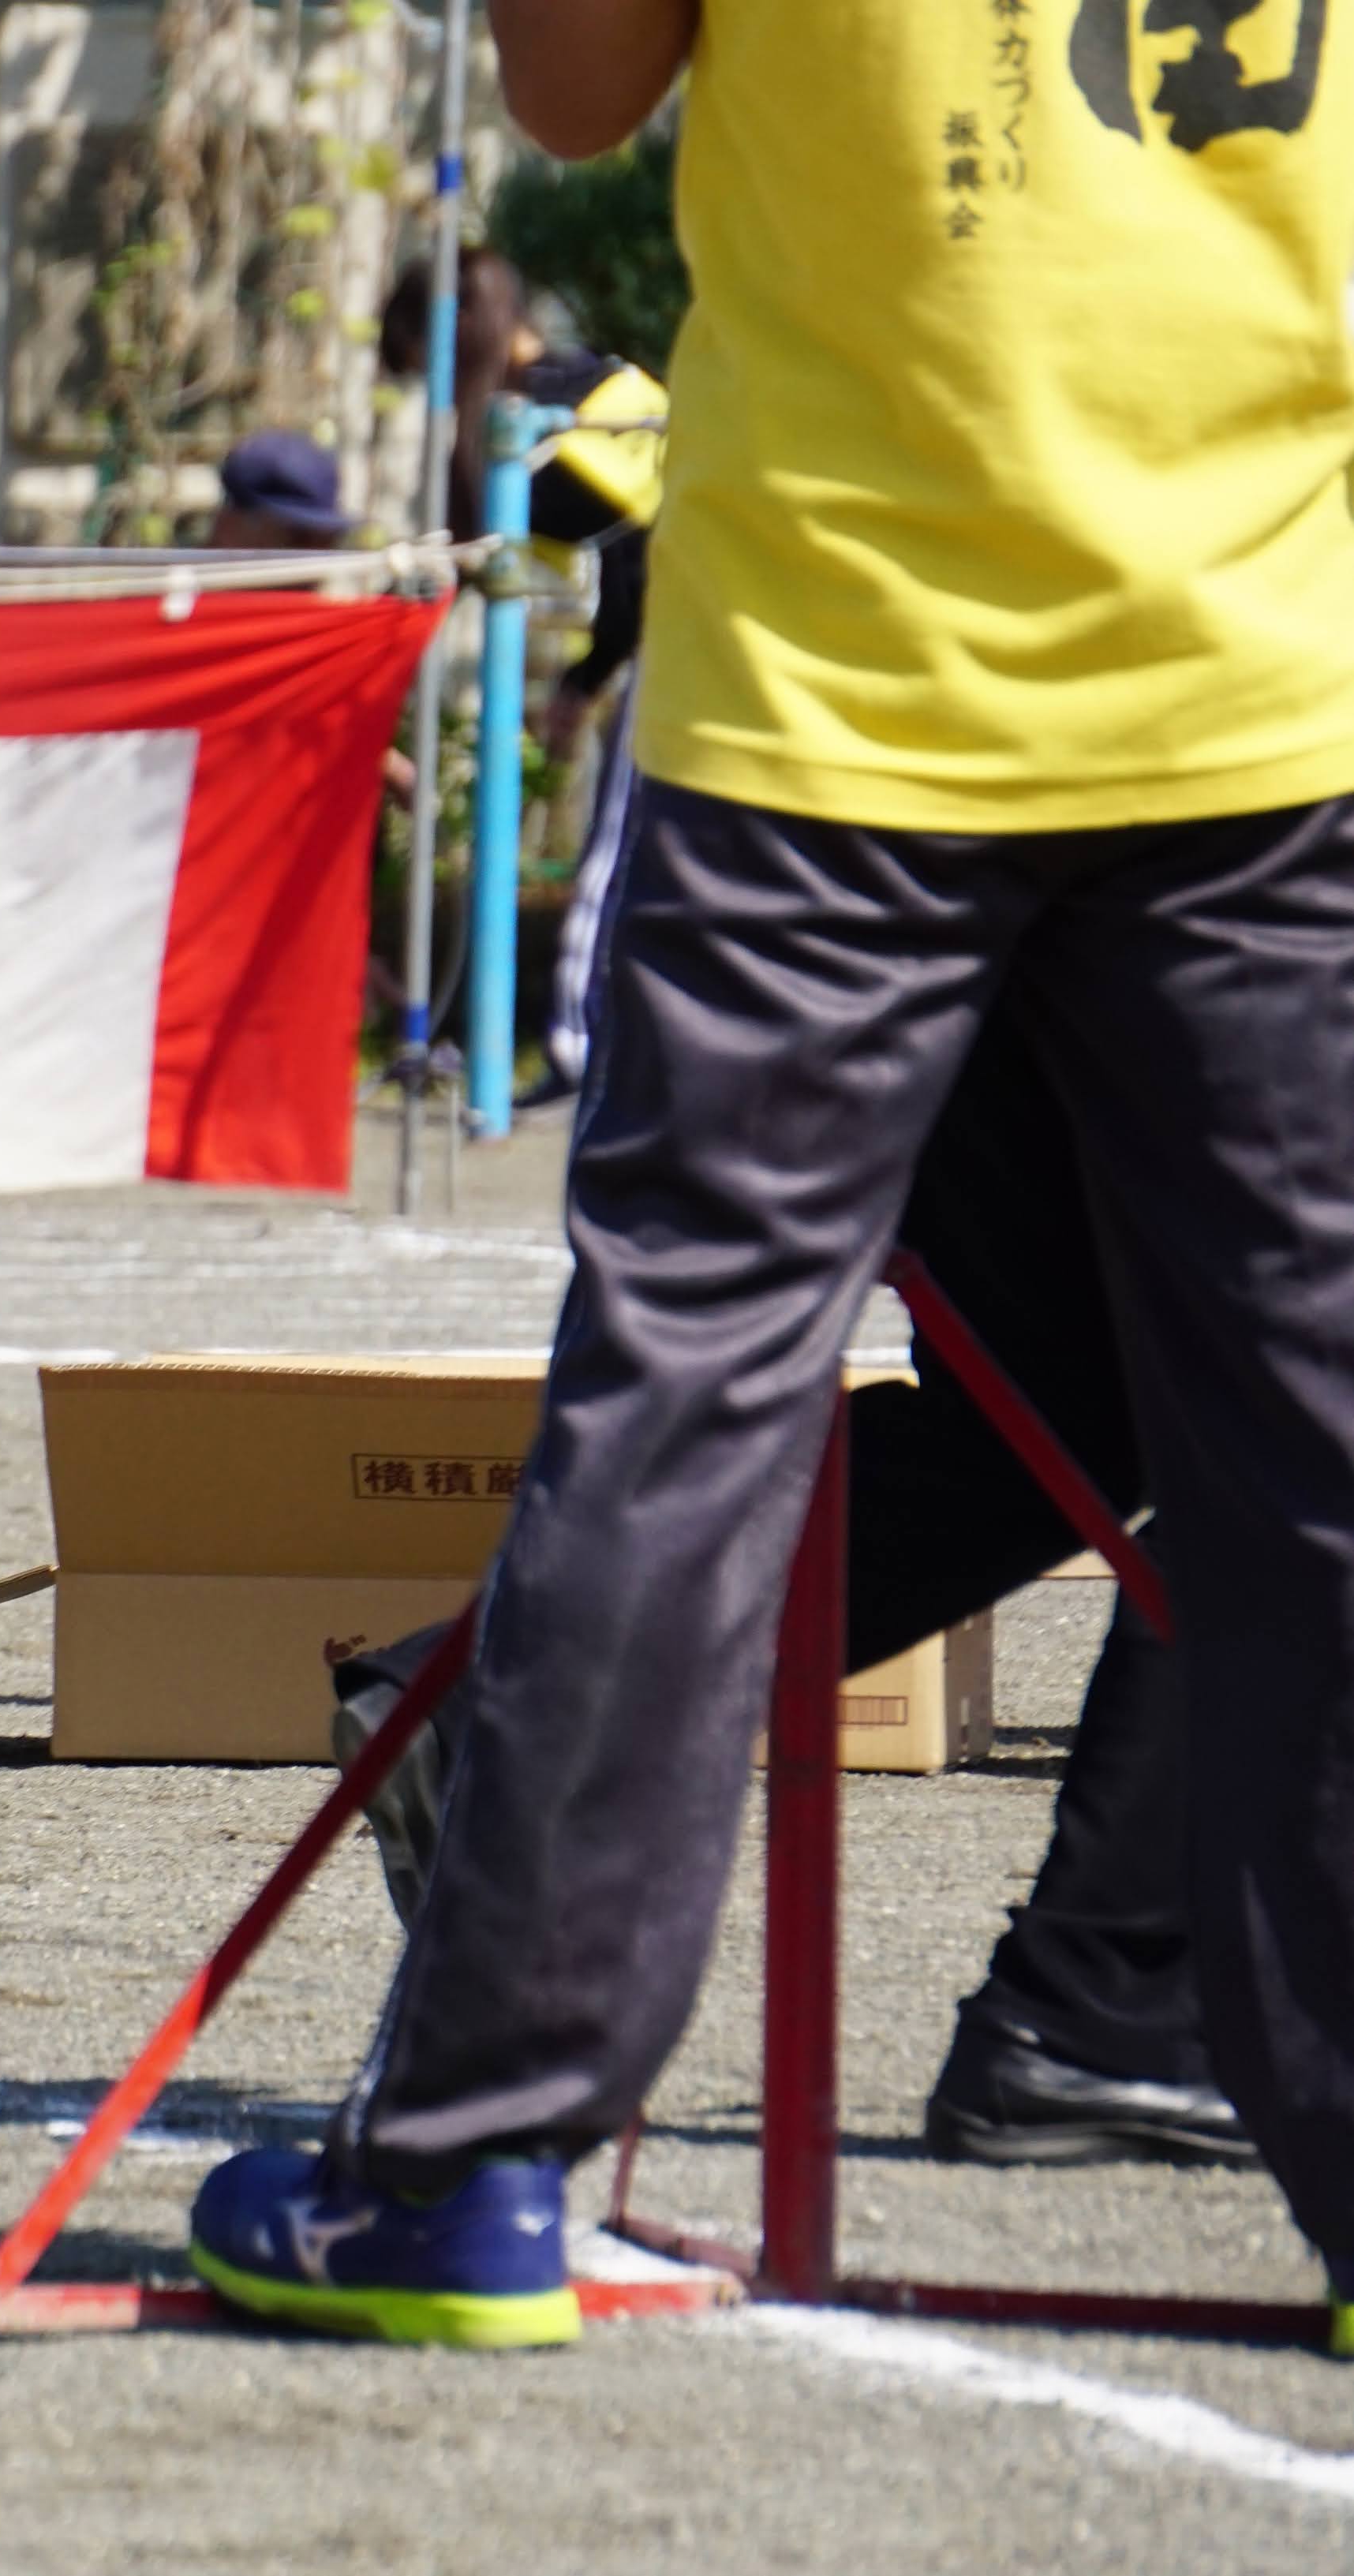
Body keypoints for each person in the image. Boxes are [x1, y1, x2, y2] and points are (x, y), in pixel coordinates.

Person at [189, 0, 1354, 2354]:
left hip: (844, 676)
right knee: (1316, 1431)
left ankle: (474, 2161)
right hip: (1263, 664)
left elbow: (574, 87)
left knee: (689, 1396)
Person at [334, 1005, 1248, 2170]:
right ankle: (1106, 2001)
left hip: (938, 923)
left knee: (1045, 1419)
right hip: (1141, 914)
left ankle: (500, 1720)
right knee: (1283, 1450)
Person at [206, 429, 354, 551]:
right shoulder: (185, 584)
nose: (317, 556)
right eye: (299, 539)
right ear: (231, 526)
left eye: (329, 542)